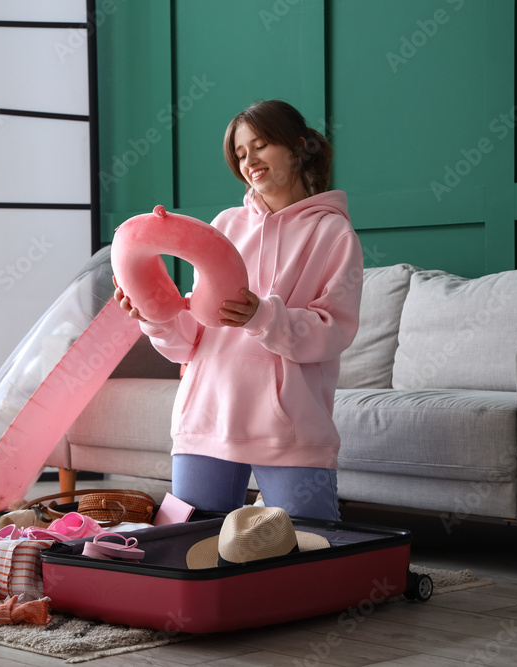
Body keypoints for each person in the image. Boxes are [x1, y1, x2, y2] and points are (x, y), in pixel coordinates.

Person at [113, 100, 363, 521]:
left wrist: (263, 317)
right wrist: (153, 315)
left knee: (313, 550)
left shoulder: (333, 232)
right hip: (207, 414)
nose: (250, 161)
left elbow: (333, 330)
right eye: (241, 154)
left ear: (298, 147)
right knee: (190, 549)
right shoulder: (225, 225)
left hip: (288, 424)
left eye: (261, 145)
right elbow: (191, 340)